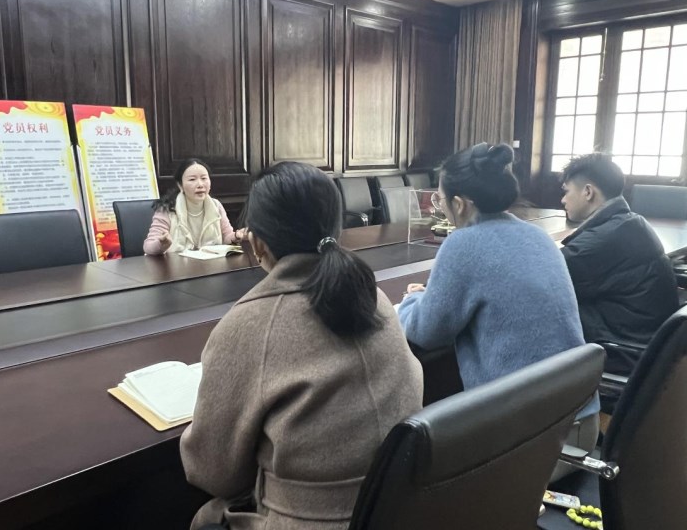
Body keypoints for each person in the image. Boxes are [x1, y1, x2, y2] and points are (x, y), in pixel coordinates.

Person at [180, 162, 424, 530]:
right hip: (400, 511)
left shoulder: (248, 324)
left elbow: (213, 474)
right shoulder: (371, 295)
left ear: (257, 242)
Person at [397, 143, 599, 477]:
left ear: (459, 204)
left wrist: (409, 301)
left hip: (532, 441)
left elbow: (425, 332)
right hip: (580, 423)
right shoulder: (537, 237)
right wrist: (432, 296)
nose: (441, 207)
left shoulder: (463, 244)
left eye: (440, 200)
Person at [560, 153, 679, 381]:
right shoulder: (629, 222)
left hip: (623, 350)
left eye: (566, 191)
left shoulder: (603, 240)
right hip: (647, 339)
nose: (563, 200)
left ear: (588, 192)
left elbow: (545, 279)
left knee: (532, 308)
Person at [143, 158, 245, 255]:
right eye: (192, 179)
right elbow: (148, 246)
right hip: (175, 265)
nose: (200, 184)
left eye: (204, 178)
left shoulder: (216, 206)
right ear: (180, 185)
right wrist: (161, 245)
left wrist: (236, 236)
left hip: (210, 264)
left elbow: (226, 237)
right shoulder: (167, 209)